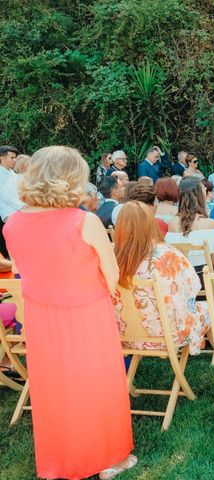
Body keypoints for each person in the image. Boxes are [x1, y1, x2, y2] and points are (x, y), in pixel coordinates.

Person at [3, 145, 136, 480]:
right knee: (97, 384)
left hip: (39, 317)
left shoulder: (12, 225)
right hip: (86, 312)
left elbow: (23, 268)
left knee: (54, 389)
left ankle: (58, 462)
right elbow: (112, 273)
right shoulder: (85, 221)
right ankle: (109, 460)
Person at [113, 201, 211, 355]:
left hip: (126, 337)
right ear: (150, 224)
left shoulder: (111, 258)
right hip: (169, 335)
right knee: (213, 309)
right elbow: (192, 288)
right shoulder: (168, 254)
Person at [166, 176, 214, 271]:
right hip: (205, 279)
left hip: (183, 279)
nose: (206, 189)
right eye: (203, 188)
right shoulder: (210, 224)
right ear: (198, 194)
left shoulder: (172, 223)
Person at [0, 146, 24, 258]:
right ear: (2, 158)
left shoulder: (14, 175)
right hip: (9, 214)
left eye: (15, 158)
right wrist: (23, 206)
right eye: (12, 158)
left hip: (21, 211)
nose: (15, 160)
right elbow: (5, 195)